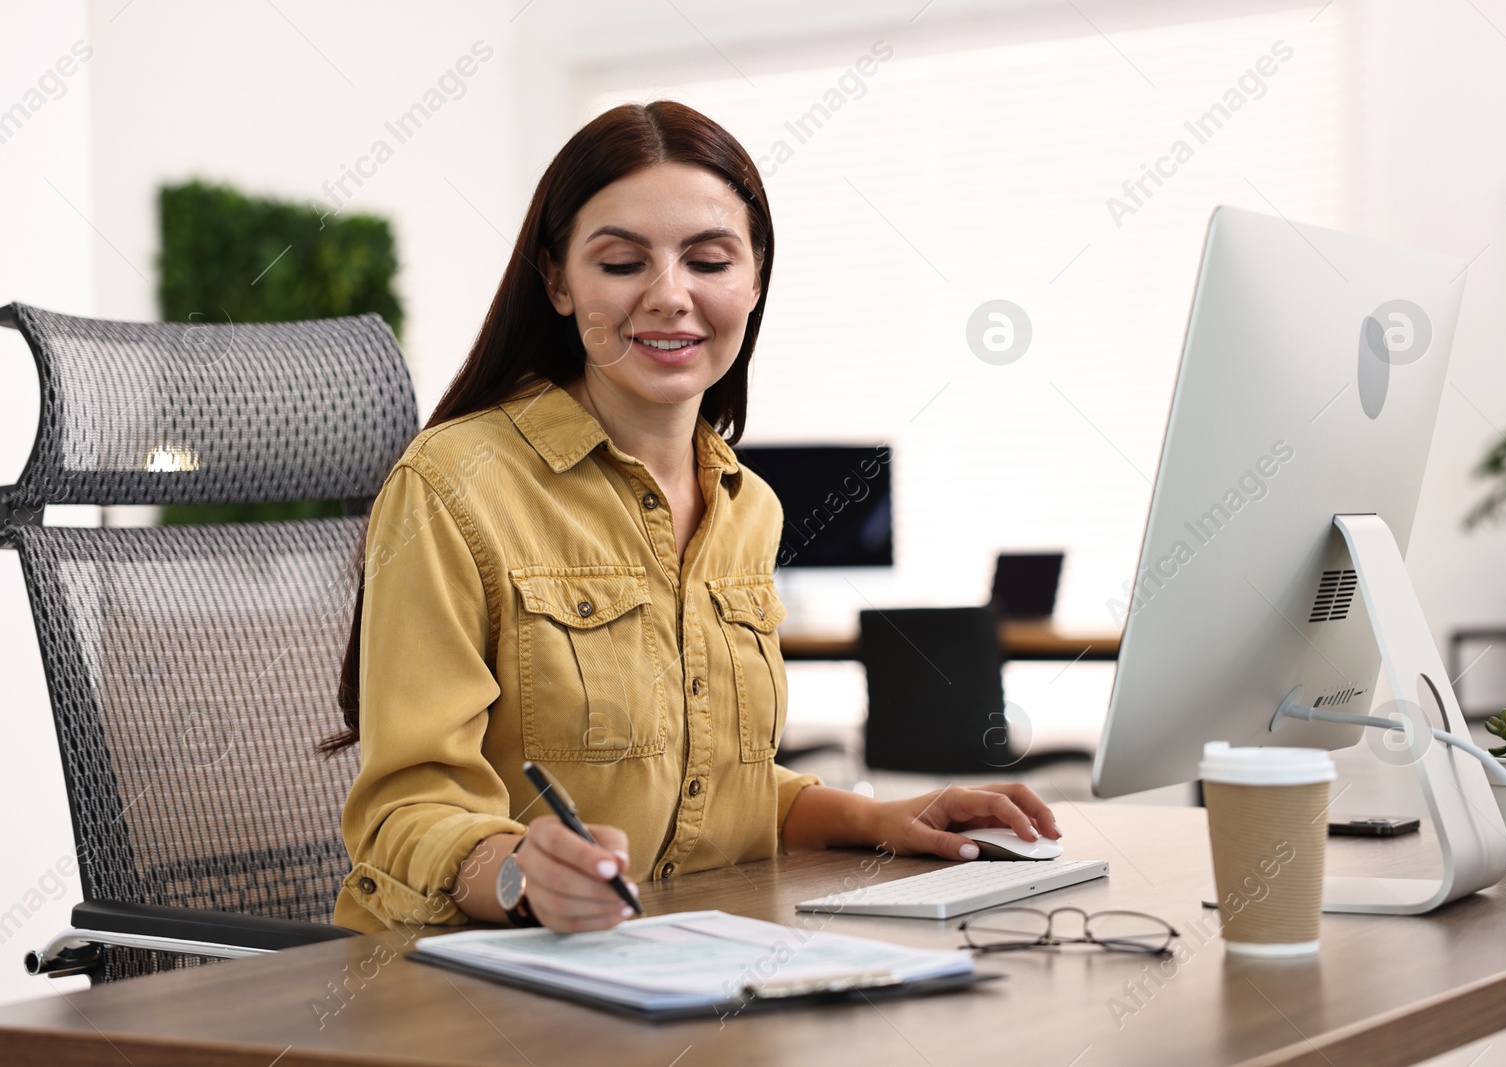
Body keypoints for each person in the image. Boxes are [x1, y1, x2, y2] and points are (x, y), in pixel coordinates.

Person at [326, 100, 1061, 935]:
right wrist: (521, 874)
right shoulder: (454, 485)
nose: (671, 296)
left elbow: (716, 786)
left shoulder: (749, 506)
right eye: (621, 262)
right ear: (558, 280)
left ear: (753, 281)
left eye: (708, 260)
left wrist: (885, 818)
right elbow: (408, 809)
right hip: (469, 991)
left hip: (684, 964)